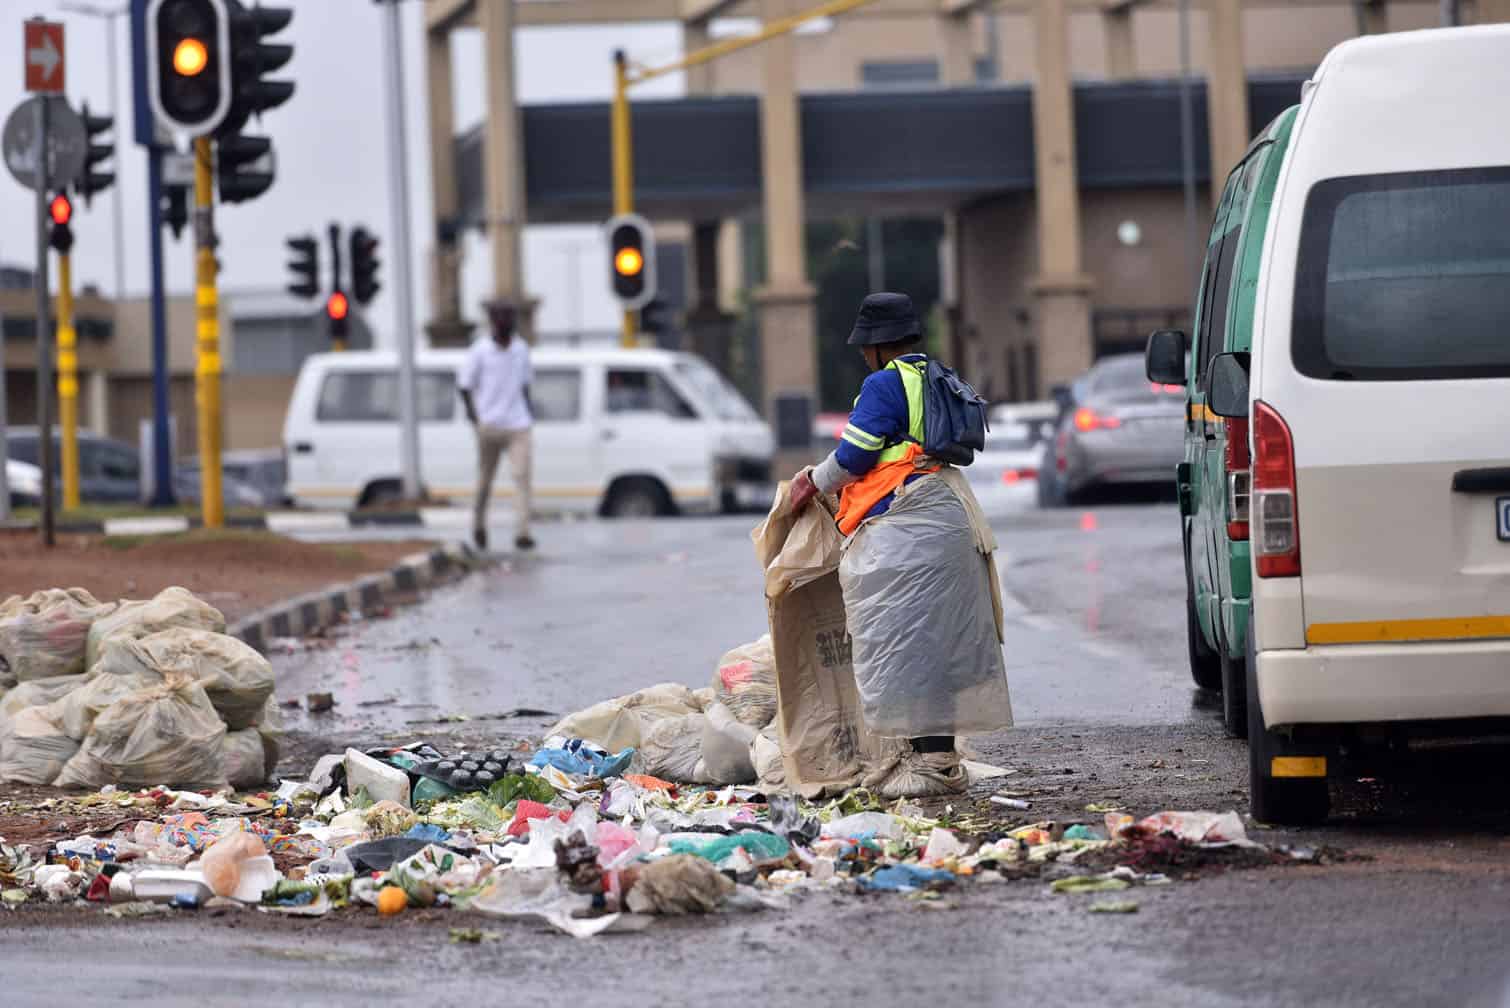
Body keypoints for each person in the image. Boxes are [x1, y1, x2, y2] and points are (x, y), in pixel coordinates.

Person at [789, 292, 1012, 795]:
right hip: (950, 518)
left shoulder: (885, 383)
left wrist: (811, 482)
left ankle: (927, 764)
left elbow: (855, 457)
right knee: (937, 645)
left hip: (909, 531)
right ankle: (936, 757)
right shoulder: (938, 376)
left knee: (901, 643)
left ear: (874, 346)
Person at [458, 301, 535, 552]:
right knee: (484, 481)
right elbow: (465, 386)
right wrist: (475, 419)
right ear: (493, 323)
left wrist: (527, 412)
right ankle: (479, 526)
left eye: (509, 321)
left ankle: (523, 532)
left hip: (518, 425)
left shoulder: (521, 349)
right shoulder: (480, 351)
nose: (506, 327)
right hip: (489, 424)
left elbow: (525, 385)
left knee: (522, 478)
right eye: (502, 321)